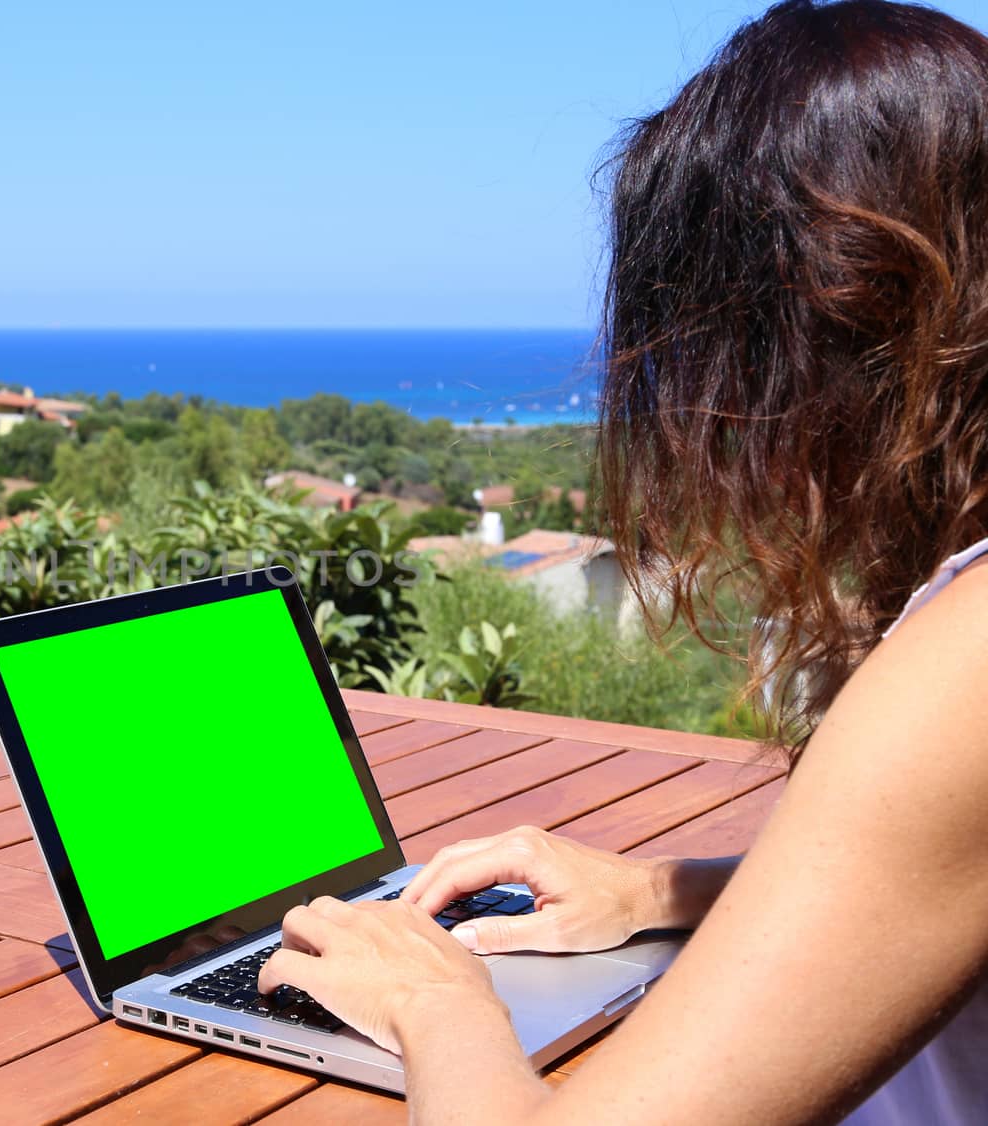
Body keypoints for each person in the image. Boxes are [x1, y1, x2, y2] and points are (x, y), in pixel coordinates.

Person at [255, 2, 988, 1122]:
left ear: (828, 319)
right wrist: (657, 887)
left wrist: (431, 998)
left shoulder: (964, 667)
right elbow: (930, 889)